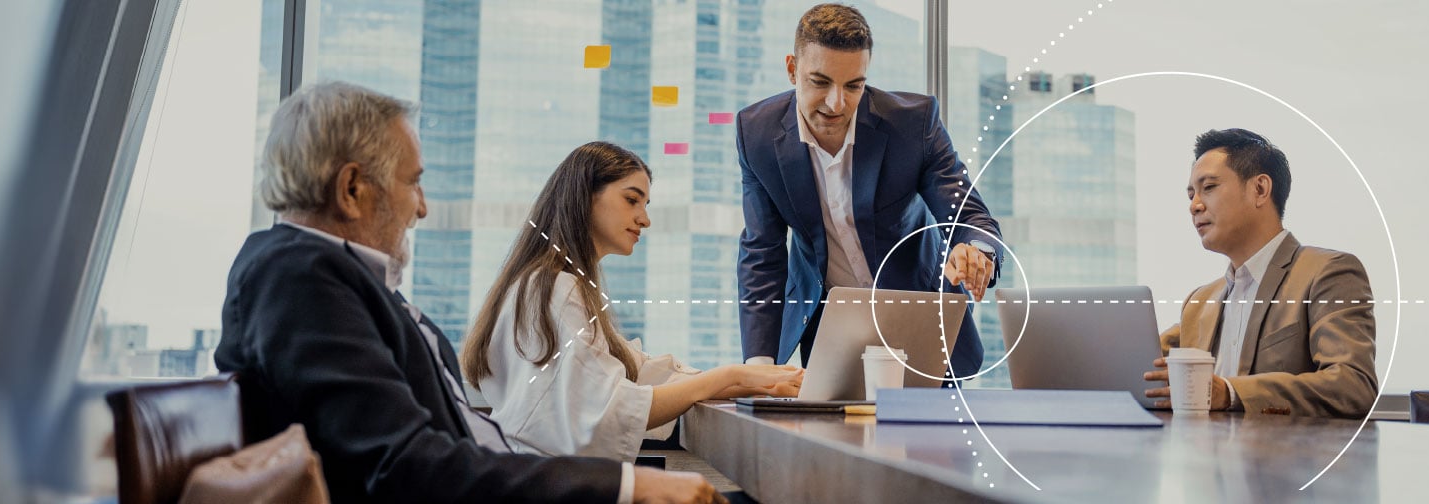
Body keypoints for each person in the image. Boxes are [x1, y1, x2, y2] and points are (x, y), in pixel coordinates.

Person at [216, 81, 722, 503]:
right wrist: (625, 486)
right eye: (412, 183)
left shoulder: (330, 278)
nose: (422, 208)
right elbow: (403, 463)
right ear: (352, 190)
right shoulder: (299, 279)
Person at [461, 141, 804, 461]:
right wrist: (729, 375)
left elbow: (635, 369)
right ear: (585, 197)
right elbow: (612, 407)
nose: (645, 219)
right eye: (631, 200)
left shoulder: (547, 283)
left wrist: (748, 380)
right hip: (550, 482)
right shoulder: (555, 289)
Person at [735, 3, 1004, 377]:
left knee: (930, 434)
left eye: (853, 85)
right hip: (831, 326)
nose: (837, 103)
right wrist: (758, 365)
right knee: (831, 433)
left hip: (921, 317)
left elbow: (968, 214)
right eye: (820, 82)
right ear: (792, 69)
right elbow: (762, 252)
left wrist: (978, 250)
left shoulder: (914, 124)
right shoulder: (757, 133)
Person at [1140, 128, 1380, 419]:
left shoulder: (1328, 273)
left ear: (1260, 189)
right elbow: (1142, 361)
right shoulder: (1200, 302)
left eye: (1209, 187)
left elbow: (1352, 385)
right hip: (1204, 461)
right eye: (1191, 194)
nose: (1194, 206)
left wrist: (1229, 392)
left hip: (1290, 461)